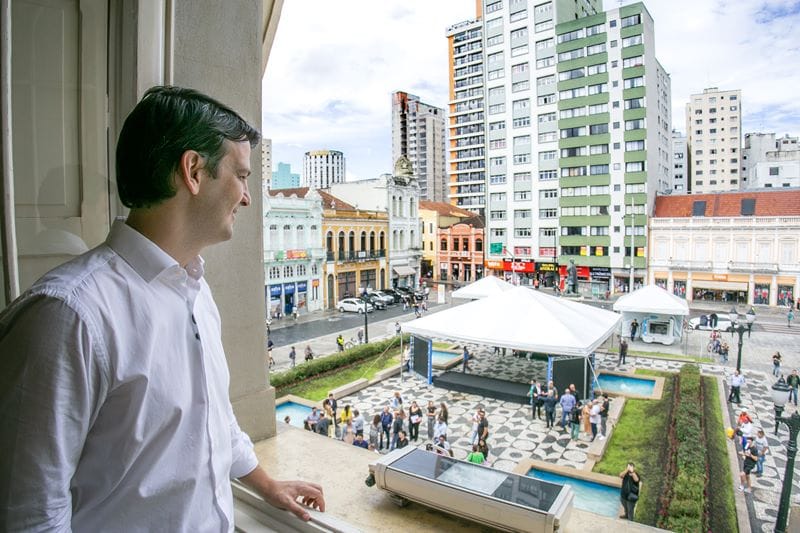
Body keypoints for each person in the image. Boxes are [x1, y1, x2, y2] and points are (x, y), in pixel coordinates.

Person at [0, 86, 324, 529]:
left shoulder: (195, 290)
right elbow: (31, 513)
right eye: (242, 176)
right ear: (193, 171)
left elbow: (216, 419)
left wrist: (267, 485)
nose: (247, 198)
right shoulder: (69, 316)